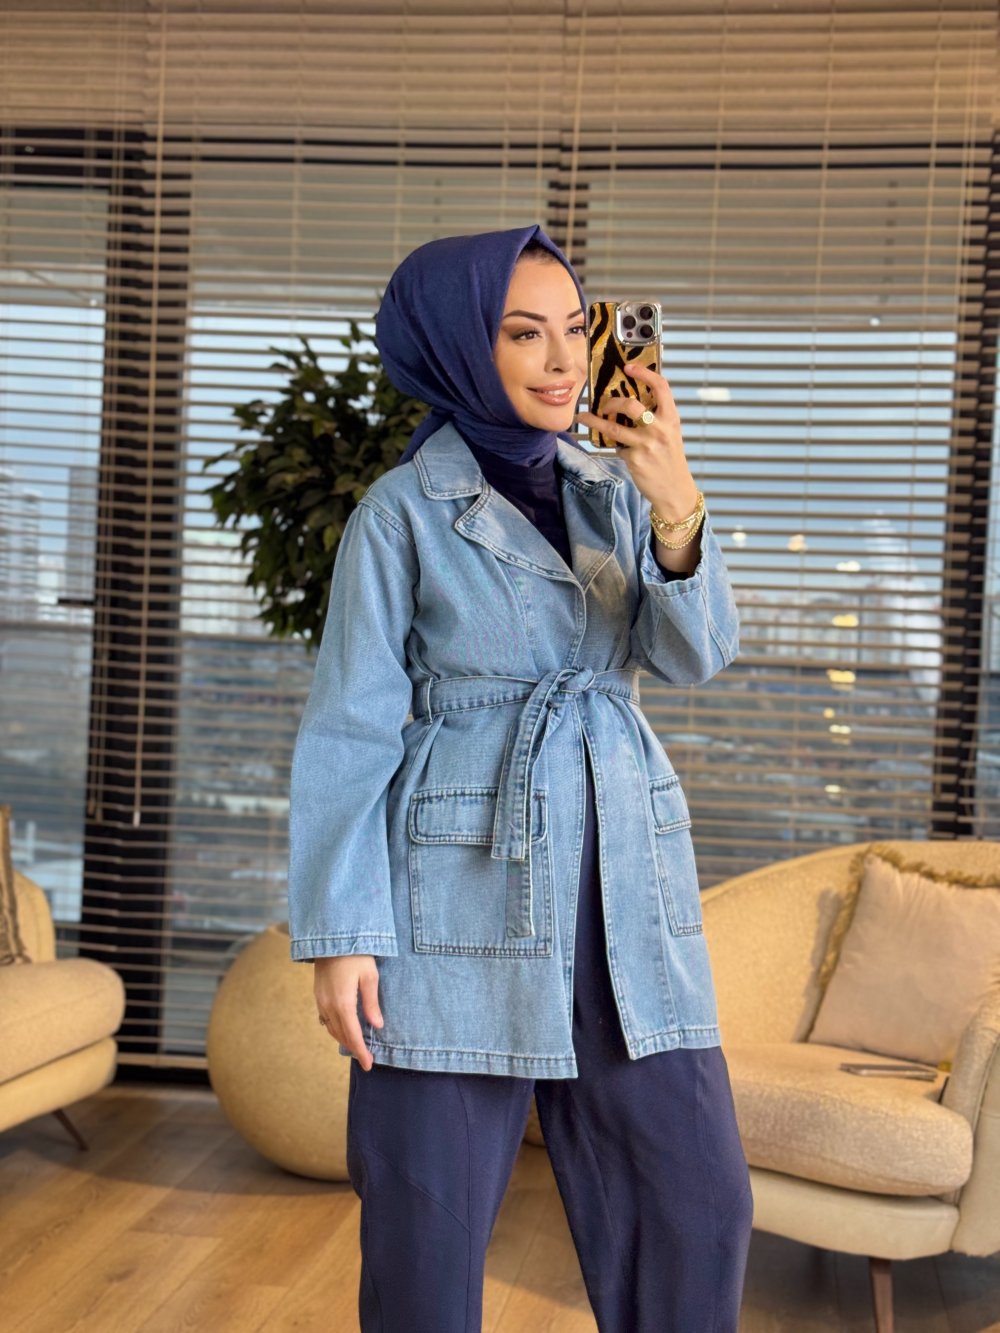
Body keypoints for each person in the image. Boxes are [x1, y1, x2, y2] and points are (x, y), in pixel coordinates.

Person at [287, 223, 753, 1332]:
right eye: (522, 333)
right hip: (455, 891)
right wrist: (342, 934)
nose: (561, 360)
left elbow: (695, 655)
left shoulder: (612, 489)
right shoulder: (400, 513)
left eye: (574, 330)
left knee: (697, 1205)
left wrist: (673, 497)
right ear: (458, 344)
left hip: (619, 879)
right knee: (427, 1219)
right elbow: (350, 725)